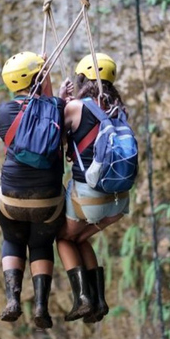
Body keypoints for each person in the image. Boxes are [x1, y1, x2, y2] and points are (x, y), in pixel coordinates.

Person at [0, 51, 66, 329]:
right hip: (48, 202)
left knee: (12, 239)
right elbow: (46, 109)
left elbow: (28, 112)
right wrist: (49, 83)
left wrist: (41, 78)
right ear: (40, 77)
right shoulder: (58, 107)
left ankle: (12, 299)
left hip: (11, 197)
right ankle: (40, 307)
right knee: (40, 244)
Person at [57, 53, 130, 323]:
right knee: (80, 238)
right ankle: (98, 301)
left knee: (64, 238)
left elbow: (54, 136)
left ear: (80, 79)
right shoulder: (118, 109)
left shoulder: (76, 107)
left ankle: (83, 299)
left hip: (90, 197)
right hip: (119, 200)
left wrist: (61, 102)